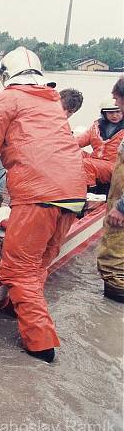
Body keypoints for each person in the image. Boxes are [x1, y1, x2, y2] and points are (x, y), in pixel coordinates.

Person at [0, 47, 86, 365]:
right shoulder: (51, 102)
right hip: (74, 193)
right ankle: (16, 310)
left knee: (17, 270)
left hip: (38, 194)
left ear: (7, 75)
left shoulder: (7, 100)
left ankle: (40, 345)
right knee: (38, 264)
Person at [0, 88, 84, 229]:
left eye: (70, 112)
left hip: (23, 159)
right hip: (6, 144)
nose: (65, 114)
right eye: (63, 108)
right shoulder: (40, 110)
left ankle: (11, 223)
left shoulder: (58, 123)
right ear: (57, 100)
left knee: (17, 191)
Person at [96, 75, 124, 303]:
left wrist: (121, 207)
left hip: (120, 205)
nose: (114, 101)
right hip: (114, 193)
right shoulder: (98, 128)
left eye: (117, 98)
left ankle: (113, 306)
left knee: (112, 260)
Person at [76, 98, 124, 190]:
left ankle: (91, 190)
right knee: (73, 152)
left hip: (116, 167)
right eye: (110, 113)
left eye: (118, 112)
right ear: (104, 114)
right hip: (95, 162)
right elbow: (78, 141)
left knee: (86, 163)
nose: (115, 115)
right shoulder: (96, 127)